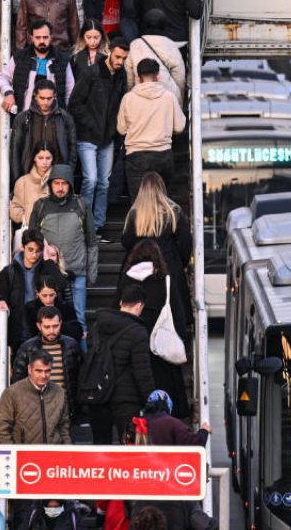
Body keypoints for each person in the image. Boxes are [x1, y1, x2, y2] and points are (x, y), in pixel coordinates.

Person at [118, 240, 190, 419]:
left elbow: (116, 309)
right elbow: (178, 316)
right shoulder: (165, 280)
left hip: (132, 342)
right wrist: (181, 339)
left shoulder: (126, 279)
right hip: (160, 349)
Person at [68, 37, 130, 239]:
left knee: (103, 182)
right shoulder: (91, 72)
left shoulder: (121, 76)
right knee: (91, 180)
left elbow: (120, 106)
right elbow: (75, 103)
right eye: (118, 56)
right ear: (110, 51)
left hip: (107, 137)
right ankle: (85, 225)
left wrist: (113, 130)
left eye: (124, 58)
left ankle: (98, 226)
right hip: (88, 135)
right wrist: (93, 124)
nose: (120, 61)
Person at [29, 164, 97, 336]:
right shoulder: (41, 206)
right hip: (50, 277)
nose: (60, 187)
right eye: (56, 183)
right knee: (49, 320)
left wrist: (92, 273)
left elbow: (91, 240)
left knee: (79, 320)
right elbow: (32, 241)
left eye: (64, 183)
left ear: (70, 185)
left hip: (77, 271)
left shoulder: (81, 204)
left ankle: (80, 358)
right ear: (50, 184)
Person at [121, 171, 192, 328]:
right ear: (162, 188)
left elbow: (126, 242)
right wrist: (181, 264)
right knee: (173, 318)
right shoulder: (174, 212)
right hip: (170, 271)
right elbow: (186, 244)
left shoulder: (134, 214)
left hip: (140, 274)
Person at [88, 284, 155, 444]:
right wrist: (150, 399)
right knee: (130, 445)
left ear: (121, 303)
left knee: (101, 447)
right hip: (127, 399)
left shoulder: (98, 325)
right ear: (140, 305)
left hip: (98, 394)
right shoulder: (138, 331)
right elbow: (142, 371)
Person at [117, 59, 186, 196]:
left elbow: (121, 129)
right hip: (163, 155)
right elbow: (179, 127)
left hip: (136, 156)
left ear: (138, 77)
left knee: (139, 203)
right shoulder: (169, 97)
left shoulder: (128, 98)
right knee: (162, 202)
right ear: (158, 76)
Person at [0, 229, 68, 351]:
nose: (34, 254)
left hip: (44, 331)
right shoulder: (8, 272)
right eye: (30, 250)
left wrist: (48, 261)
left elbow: (61, 285)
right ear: (22, 247)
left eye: (38, 251)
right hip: (19, 332)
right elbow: (1, 295)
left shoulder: (47, 267)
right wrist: (1, 302)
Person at [12, 306, 83, 410]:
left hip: (66, 408)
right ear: (39, 326)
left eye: (55, 326)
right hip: (36, 409)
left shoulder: (71, 345)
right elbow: (18, 381)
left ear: (61, 324)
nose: (51, 331)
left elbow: (80, 378)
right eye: (47, 327)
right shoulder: (28, 348)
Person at [0, 350, 72, 444]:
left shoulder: (59, 392)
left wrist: (67, 451)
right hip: (23, 454)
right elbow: (1, 429)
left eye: (47, 371)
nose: (43, 375)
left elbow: (64, 427)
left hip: (54, 454)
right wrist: (13, 454)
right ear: (29, 369)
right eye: (38, 371)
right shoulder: (12, 393)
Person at [0, 21, 77, 114]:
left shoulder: (62, 60)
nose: (42, 41)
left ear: (51, 37)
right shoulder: (19, 57)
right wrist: (8, 93)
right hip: (25, 117)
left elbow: (70, 91)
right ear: (32, 38)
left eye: (45, 37)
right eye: (38, 37)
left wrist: (65, 117)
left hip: (53, 119)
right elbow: (3, 77)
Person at [10, 79, 79, 182]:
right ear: (35, 96)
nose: (46, 102)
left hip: (57, 176)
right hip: (29, 175)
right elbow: (15, 151)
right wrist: (18, 180)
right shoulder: (23, 118)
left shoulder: (65, 118)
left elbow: (72, 150)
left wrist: (66, 175)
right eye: (42, 98)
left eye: (49, 98)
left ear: (55, 96)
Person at [126, 9, 186, 104]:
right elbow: (180, 77)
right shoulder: (170, 45)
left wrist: (131, 93)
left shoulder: (135, 45)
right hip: (167, 96)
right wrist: (179, 98)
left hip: (141, 95)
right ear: (164, 25)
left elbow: (129, 77)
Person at [24, 277, 83, 341]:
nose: (48, 300)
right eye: (44, 295)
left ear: (56, 293)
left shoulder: (66, 306)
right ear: (37, 293)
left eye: (51, 295)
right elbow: (29, 333)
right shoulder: (30, 308)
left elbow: (77, 331)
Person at [10, 144, 55, 226]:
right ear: (34, 158)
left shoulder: (58, 181)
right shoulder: (23, 182)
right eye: (40, 158)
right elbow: (14, 208)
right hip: (31, 233)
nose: (44, 162)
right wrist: (25, 217)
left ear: (52, 159)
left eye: (48, 158)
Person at [69, 19, 108, 84]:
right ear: (83, 36)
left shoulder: (108, 55)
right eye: (88, 37)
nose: (92, 41)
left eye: (96, 37)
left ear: (102, 37)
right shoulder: (75, 56)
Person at [14, 500, 85, 530]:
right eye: (50, 506)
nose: (53, 508)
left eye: (55, 506)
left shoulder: (72, 515)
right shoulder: (34, 514)